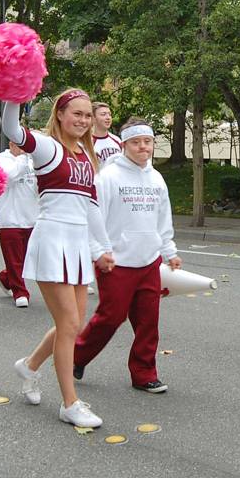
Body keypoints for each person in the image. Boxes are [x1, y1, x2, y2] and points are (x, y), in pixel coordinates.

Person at [1, 89, 114, 429]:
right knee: (69, 325)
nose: (82, 120)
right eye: (75, 113)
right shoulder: (48, 147)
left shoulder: (85, 155)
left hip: (78, 243)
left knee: (74, 323)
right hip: (52, 240)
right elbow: (11, 127)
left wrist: (102, 248)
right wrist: (16, 91)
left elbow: (91, 208)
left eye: (87, 115)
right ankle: (70, 402)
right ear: (60, 115)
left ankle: (30, 365)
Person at [73, 117, 181, 394]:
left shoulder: (156, 178)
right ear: (124, 145)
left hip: (149, 261)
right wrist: (98, 252)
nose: (143, 147)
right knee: (111, 316)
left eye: (147, 142)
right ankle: (76, 356)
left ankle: (144, 373)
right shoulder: (108, 177)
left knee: (148, 321)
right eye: (136, 142)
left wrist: (169, 251)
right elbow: (94, 217)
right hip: (116, 261)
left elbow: (162, 218)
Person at [0, 138, 39, 308]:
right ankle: (20, 292)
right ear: (11, 144)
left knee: (28, 258)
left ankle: (6, 278)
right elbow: (10, 176)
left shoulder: (32, 160)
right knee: (14, 258)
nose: (24, 148)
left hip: (32, 216)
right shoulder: (2, 159)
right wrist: (22, 157)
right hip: (10, 218)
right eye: (20, 144)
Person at [91, 102, 123, 166]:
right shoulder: (87, 142)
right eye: (103, 114)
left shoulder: (117, 140)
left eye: (109, 114)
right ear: (93, 118)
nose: (108, 117)